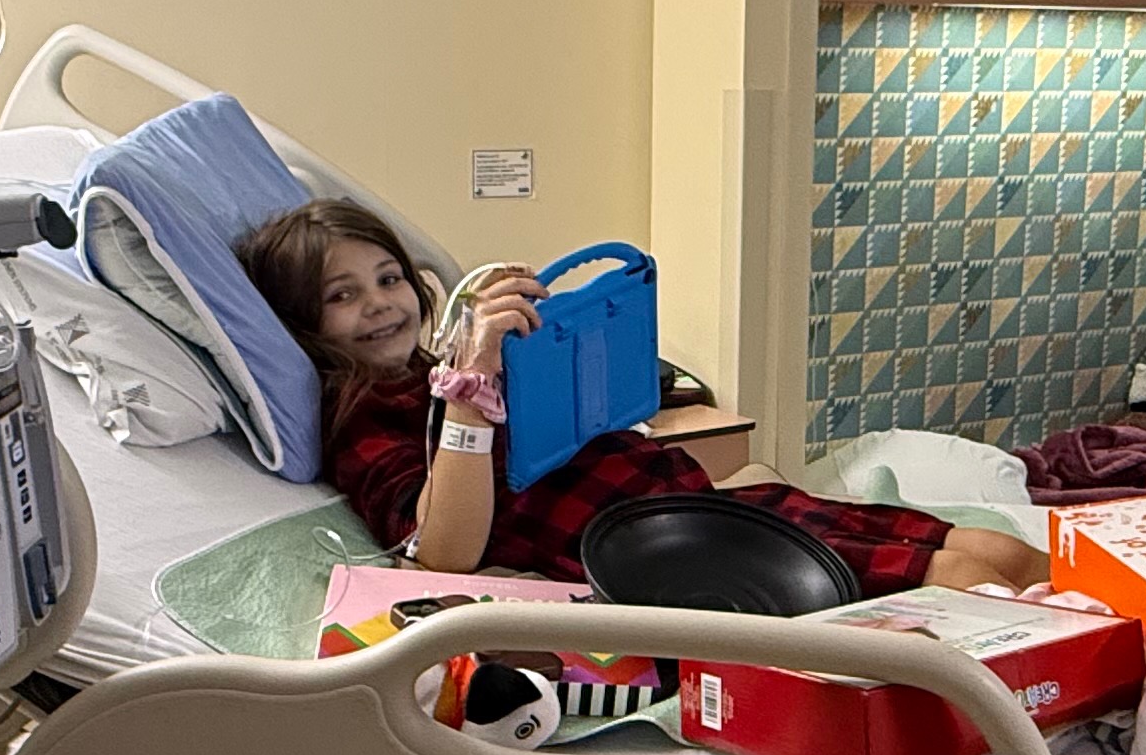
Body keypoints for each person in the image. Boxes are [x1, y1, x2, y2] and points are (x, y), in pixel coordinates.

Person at [233, 198, 1045, 593]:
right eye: (342, 296)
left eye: (387, 279)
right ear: (304, 321)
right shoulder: (367, 417)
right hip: (656, 549)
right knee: (960, 578)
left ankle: (1123, 638)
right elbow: (443, 549)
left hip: (694, 507)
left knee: (998, 550)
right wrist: (471, 394)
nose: (379, 304)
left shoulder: (438, 365)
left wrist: (550, 355)